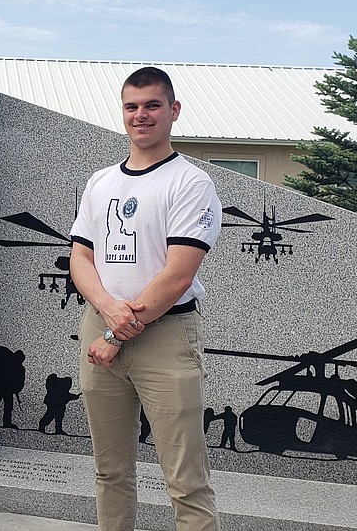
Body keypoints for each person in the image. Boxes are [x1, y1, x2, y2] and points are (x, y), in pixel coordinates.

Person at [70, 66, 221, 531]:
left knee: (185, 481)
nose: (142, 115)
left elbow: (176, 276)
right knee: (110, 470)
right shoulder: (100, 182)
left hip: (164, 337)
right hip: (101, 329)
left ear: (173, 111)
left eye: (153, 105)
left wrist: (117, 329)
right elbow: (80, 257)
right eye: (132, 107)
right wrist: (107, 312)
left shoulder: (191, 184)